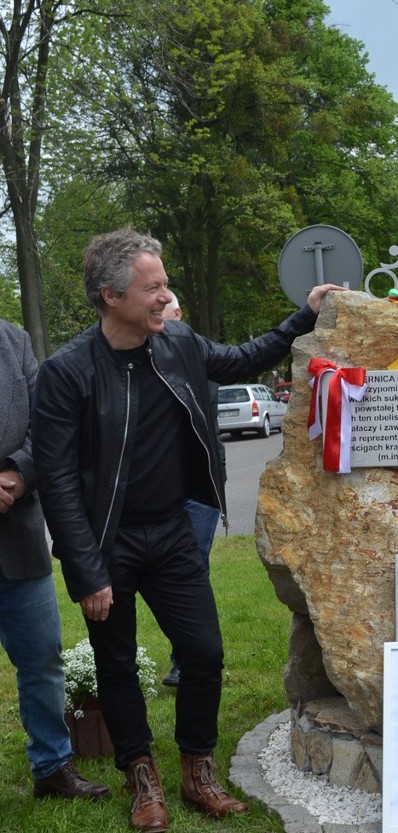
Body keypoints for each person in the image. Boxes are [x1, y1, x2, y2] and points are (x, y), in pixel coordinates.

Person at [32, 228, 342, 833]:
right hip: (105, 543)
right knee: (115, 664)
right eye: (153, 287)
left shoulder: (176, 343)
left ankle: (198, 771)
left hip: (171, 530)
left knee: (204, 654)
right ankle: (141, 776)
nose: (165, 297)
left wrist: (300, 318)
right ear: (110, 296)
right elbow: (58, 482)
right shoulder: (67, 373)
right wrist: (87, 568)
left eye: (165, 283)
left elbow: (245, 358)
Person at [0, 318, 109, 802]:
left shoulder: (14, 340)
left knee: (42, 660)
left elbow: (45, 427)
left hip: (18, 538)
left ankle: (52, 766)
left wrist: (17, 476)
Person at [159, 292, 222, 689]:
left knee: (193, 566)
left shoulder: (199, 360)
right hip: (162, 491)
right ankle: (187, 654)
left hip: (200, 491)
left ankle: (188, 660)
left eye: (163, 304)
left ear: (179, 314)